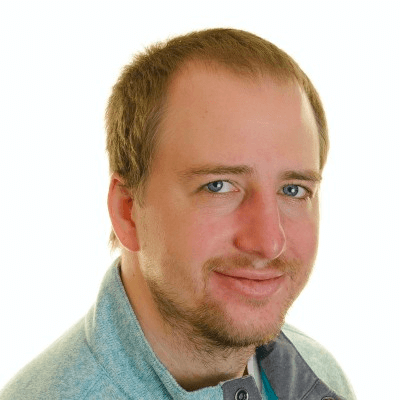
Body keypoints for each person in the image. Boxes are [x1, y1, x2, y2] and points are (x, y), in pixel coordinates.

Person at [0, 28, 356, 400]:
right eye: (218, 185)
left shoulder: (321, 375)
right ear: (127, 211)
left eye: (293, 190)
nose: (269, 242)